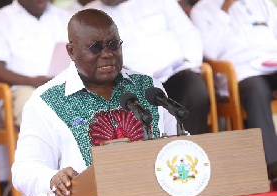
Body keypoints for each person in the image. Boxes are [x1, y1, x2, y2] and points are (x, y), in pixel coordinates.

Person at [11, 8, 177, 196]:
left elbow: (178, 142)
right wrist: (52, 179)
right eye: (96, 47)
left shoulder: (148, 87)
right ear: (71, 51)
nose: (107, 54)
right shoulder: (46, 101)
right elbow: (24, 168)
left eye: (114, 45)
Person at [0, 0, 70, 194]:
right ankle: (46, 188)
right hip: (23, 91)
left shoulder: (65, 18)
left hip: (66, 86)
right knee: (43, 113)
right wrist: (34, 81)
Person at [85, 0, 210, 135]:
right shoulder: (89, 15)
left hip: (175, 74)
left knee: (195, 92)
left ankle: (190, 150)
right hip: (130, 83)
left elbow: (189, 34)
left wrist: (188, 61)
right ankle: (151, 154)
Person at [190, 0, 277, 189]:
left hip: (271, 65)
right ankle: (274, 168)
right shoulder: (202, 10)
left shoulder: (262, 4)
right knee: (256, 88)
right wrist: (225, 10)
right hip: (241, 73)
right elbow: (210, 51)